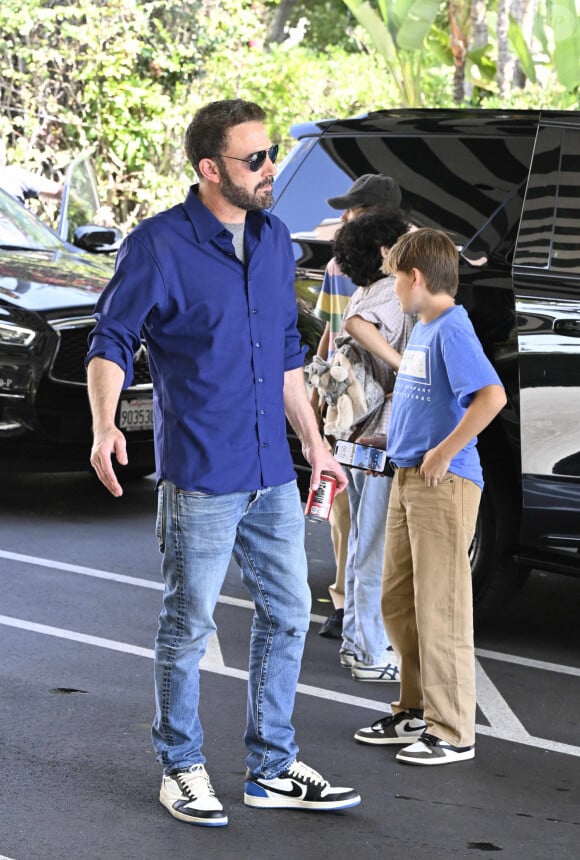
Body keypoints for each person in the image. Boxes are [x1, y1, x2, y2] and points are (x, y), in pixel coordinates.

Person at [85, 98, 361, 827]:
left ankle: (271, 766)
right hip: (203, 473)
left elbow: (286, 357)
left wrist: (313, 442)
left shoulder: (273, 241)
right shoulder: (157, 246)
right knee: (188, 623)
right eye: (256, 159)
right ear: (210, 169)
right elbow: (111, 340)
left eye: (270, 153)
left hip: (272, 470)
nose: (271, 170)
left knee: (290, 612)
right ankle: (181, 766)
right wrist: (105, 424)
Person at [354, 228, 506, 763]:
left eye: (395, 279)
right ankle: (415, 711)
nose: (393, 289)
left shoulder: (451, 329)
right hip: (407, 477)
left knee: (441, 607)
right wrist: (392, 442)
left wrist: (442, 452)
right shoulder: (423, 328)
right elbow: (421, 400)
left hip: (443, 483)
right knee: (398, 600)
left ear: (416, 277)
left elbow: (491, 396)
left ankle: (452, 731)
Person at [313, 174, 403, 639]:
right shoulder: (337, 265)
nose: (346, 217)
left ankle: (369, 620)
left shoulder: (412, 262)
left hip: (384, 413)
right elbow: (332, 327)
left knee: (378, 519)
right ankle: (346, 605)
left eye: (356, 209)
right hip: (348, 409)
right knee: (343, 511)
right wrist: (316, 396)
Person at [331, 211, 414, 681]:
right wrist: (400, 363)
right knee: (373, 546)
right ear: (386, 251)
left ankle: (355, 644)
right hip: (378, 435)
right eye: (403, 239)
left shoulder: (366, 288)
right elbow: (358, 324)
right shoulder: (385, 293)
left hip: (355, 436)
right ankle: (367, 652)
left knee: (364, 542)